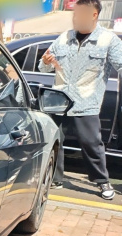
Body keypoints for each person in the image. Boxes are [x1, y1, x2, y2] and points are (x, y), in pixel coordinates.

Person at [39, 0, 119, 200]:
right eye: (75, 14)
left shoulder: (108, 40)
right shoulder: (64, 37)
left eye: (80, 13)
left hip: (86, 101)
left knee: (91, 143)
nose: (76, 18)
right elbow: (44, 67)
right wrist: (46, 62)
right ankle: (55, 179)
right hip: (59, 100)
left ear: (94, 14)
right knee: (54, 140)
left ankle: (102, 181)